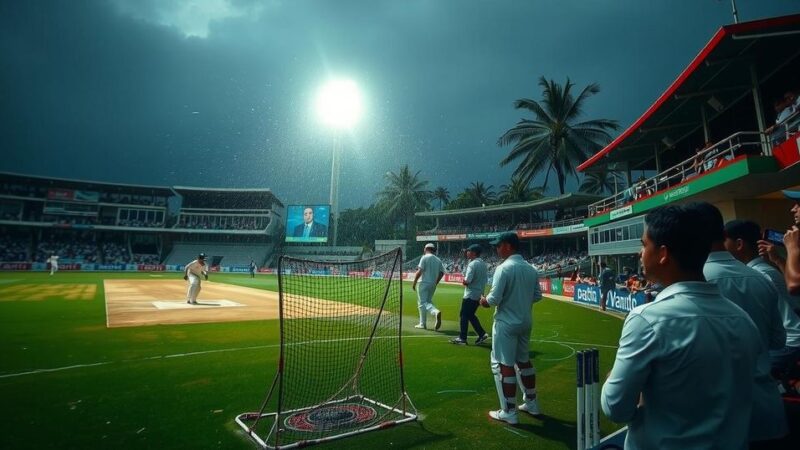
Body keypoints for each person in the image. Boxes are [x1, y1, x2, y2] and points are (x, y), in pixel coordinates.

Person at [601, 203, 762, 449]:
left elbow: (615, 408)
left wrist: (612, 378)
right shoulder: (743, 319)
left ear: (663, 253)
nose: (640, 253)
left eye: (644, 245)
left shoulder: (647, 319)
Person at [699, 203, 787, 445]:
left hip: (721, 417)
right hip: (766, 409)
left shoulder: (696, 280)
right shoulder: (762, 277)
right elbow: (778, 340)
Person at [479, 232, 542, 424]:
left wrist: (483, 301)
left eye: (498, 245)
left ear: (508, 246)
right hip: (525, 321)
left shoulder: (503, 268)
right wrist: (520, 301)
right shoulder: (531, 269)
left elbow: (493, 299)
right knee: (523, 361)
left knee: (504, 365)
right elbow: (537, 296)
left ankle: (509, 411)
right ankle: (532, 403)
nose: (496, 249)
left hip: (506, 323)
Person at [724, 219, 800, 379]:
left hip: (791, 342)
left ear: (739, 244)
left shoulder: (760, 275)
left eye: (724, 241)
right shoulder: (762, 271)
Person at [450, 244, 489, 345]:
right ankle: (482, 333)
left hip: (470, 294)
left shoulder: (472, 264)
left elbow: (467, 281)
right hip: (479, 293)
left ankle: (462, 338)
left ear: (474, 253)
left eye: (469, 251)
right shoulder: (483, 264)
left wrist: (464, 281)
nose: (467, 252)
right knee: (470, 315)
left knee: (464, 315)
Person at [412, 243, 444, 330]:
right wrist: (436, 282)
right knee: (427, 301)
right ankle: (422, 323)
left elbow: (419, 271)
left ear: (426, 249)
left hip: (423, 283)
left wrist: (414, 283)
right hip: (432, 284)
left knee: (422, 303)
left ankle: (435, 312)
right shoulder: (438, 260)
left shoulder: (425, 257)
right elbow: (442, 273)